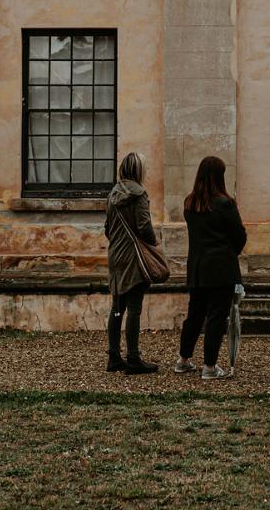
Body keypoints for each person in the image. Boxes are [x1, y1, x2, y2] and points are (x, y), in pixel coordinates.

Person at [175, 155, 247, 381]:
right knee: (217, 316)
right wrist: (230, 251)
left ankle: (184, 359)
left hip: (197, 266)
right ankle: (210, 366)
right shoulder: (225, 204)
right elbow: (239, 235)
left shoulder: (190, 203)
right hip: (221, 267)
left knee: (194, 315)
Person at [105, 151, 159, 374]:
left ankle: (114, 356)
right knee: (134, 309)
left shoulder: (112, 194)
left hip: (115, 254)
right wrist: (153, 245)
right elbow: (144, 226)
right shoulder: (140, 194)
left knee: (117, 308)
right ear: (138, 171)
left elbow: (107, 228)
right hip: (134, 256)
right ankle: (134, 358)